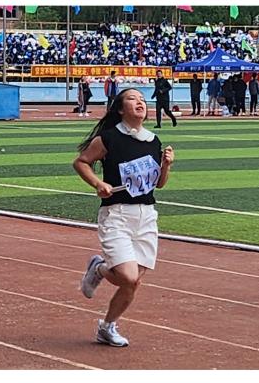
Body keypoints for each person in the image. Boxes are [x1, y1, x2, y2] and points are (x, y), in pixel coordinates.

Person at [74, 87, 174, 347]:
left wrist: (166, 165)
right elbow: (81, 162)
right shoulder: (109, 138)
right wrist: (98, 183)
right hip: (116, 213)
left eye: (142, 99)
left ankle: (107, 326)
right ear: (120, 109)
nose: (139, 102)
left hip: (146, 215)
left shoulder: (153, 141)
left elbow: (158, 184)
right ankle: (99, 268)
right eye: (132, 98)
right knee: (128, 277)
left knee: (133, 282)